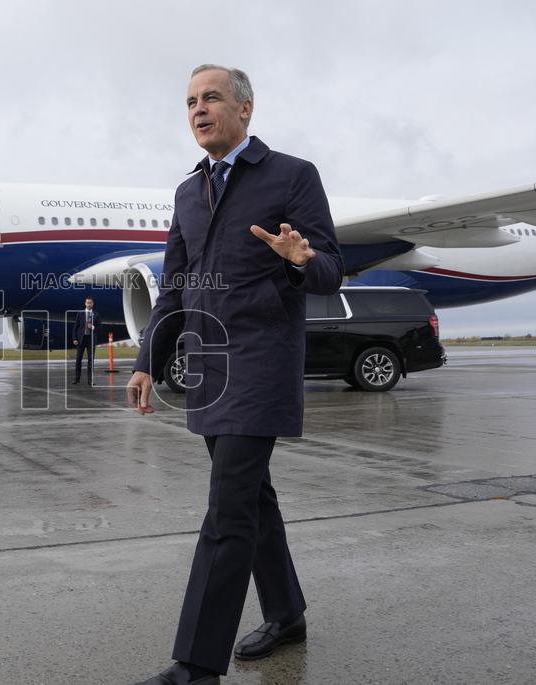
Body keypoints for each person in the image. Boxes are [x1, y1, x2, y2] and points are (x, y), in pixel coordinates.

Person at [128, 65, 343, 684]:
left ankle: (196, 666)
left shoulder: (291, 175)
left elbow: (329, 267)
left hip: (262, 362)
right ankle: (286, 613)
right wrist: (148, 360)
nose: (198, 110)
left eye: (212, 97)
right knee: (253, 500)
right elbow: (174, 287)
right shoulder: (187, 193)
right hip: (211, 369)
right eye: (191, 101)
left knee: (227, 512)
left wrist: (301, 260)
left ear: (245, 109)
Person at [72, 296, 100, 385]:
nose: (89, 304)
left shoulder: (96, 314)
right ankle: (77, 379)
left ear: (93, 304)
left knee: (91, 360)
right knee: (78, 359)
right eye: (87, 303)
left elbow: (100, 327)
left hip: (91, 340)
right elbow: (75, 327)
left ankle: (90, 381)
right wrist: (74, 338)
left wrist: (94, 327)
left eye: (90, 303)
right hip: (81, 339)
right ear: (85, 303)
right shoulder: (80, 314)